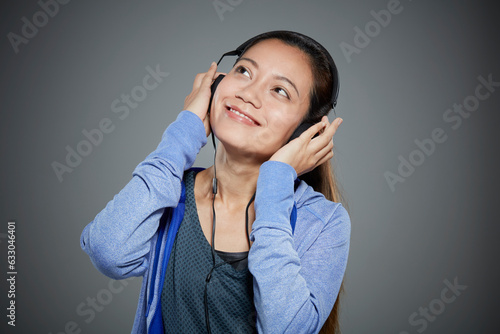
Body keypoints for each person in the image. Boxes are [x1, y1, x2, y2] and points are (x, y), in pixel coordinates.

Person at [80, 30, 351, 334]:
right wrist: (184, 132)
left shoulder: (323, 222)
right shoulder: (169, 194)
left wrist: (277, 181)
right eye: (244, 71)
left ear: (307, 131)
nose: (248, 93)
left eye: (280, 91)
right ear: (216, 83)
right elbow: (108, 252)